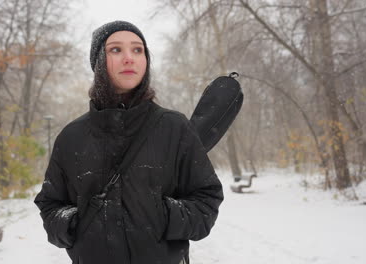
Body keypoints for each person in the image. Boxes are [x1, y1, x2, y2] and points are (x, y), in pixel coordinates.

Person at [34, 20, 224, 264]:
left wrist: (163, 215)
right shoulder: (71, 137)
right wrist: (74, 226)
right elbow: (50, 204)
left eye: (137, 50)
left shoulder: (174, 127)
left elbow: (207, 198)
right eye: (116, 50)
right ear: (98, 62)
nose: (129, 58)